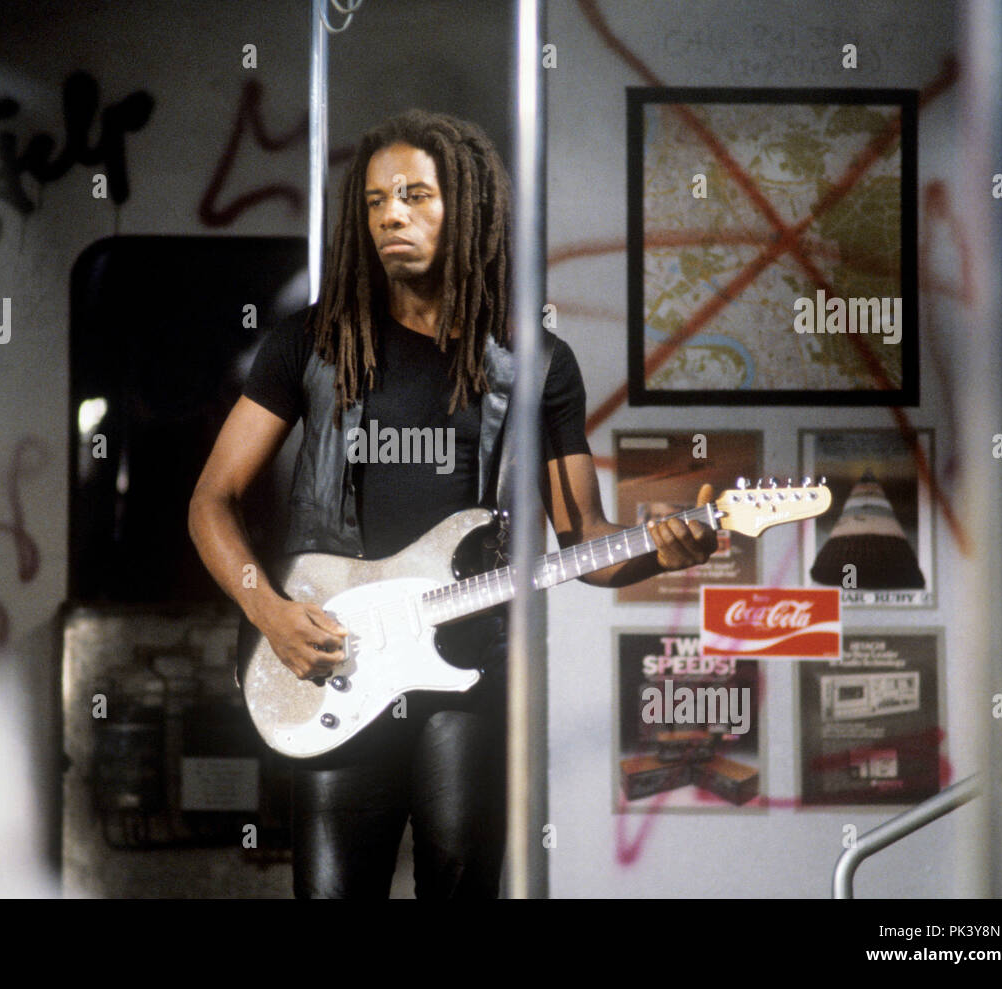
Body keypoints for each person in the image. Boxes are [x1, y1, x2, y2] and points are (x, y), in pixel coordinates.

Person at [188, 109, 717, 898]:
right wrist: (268, 611)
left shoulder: (537, 364)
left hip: (469, 663)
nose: (390, 215)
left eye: (414, 195)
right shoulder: (315, 344)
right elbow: (212, 499)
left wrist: (659, 549)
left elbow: (585, 538)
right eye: (374, 200)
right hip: (340, 658)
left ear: (467, 208)